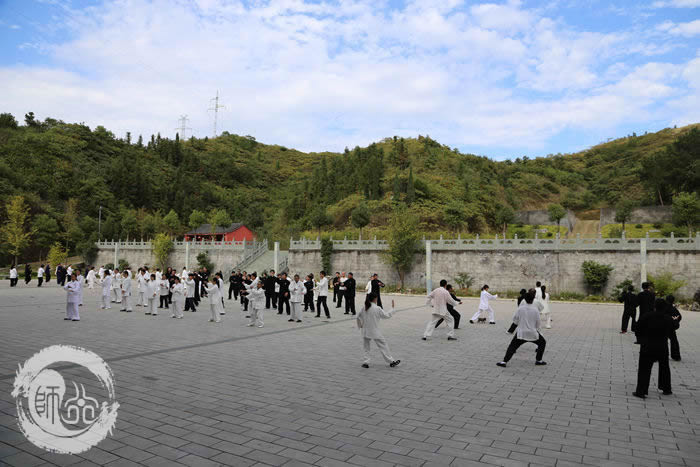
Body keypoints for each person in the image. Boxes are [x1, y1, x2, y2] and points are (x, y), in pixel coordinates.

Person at [633, 298, 674, 398]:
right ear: (665, 307)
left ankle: (641, 391)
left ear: (654, 306)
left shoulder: (647, 316)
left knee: (644, 368)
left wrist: (641, 339)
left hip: (648, 345)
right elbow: (674, 327)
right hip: (662, 346)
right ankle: (666, 388)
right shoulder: (668, 318)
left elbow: (637, 328)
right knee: (664, 367)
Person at [497, 289, 547, 367]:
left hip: (521, 333)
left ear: (525, 299)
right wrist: (538, 331)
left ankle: (504, 362)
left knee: (512, 346)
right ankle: (538, 360)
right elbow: (538, 324)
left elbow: (515, 320)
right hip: (532, 333)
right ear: (533, 299)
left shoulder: (520, 309)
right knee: (542, 343)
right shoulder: (535, 310)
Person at [358, 294, 400, 368]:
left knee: (366, 347)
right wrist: (392, 309)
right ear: (375, 299)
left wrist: (360, 325)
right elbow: (386, 315)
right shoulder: (377, 308)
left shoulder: (364, 307)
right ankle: (391, 361)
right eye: (376, 299)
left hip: (365, 331)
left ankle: (366, 362)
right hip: (375, 331)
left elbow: (358, 316)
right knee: (383, 346)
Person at [665, 295, 682, 361]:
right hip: (671, 328)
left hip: (663, 327)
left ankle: (661, 355)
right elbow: (679, 316)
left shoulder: (663, 308)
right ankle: (676, 356)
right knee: (674, 341)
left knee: (662, 341)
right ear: (673, 301)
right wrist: (675, 321)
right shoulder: (673, 309)